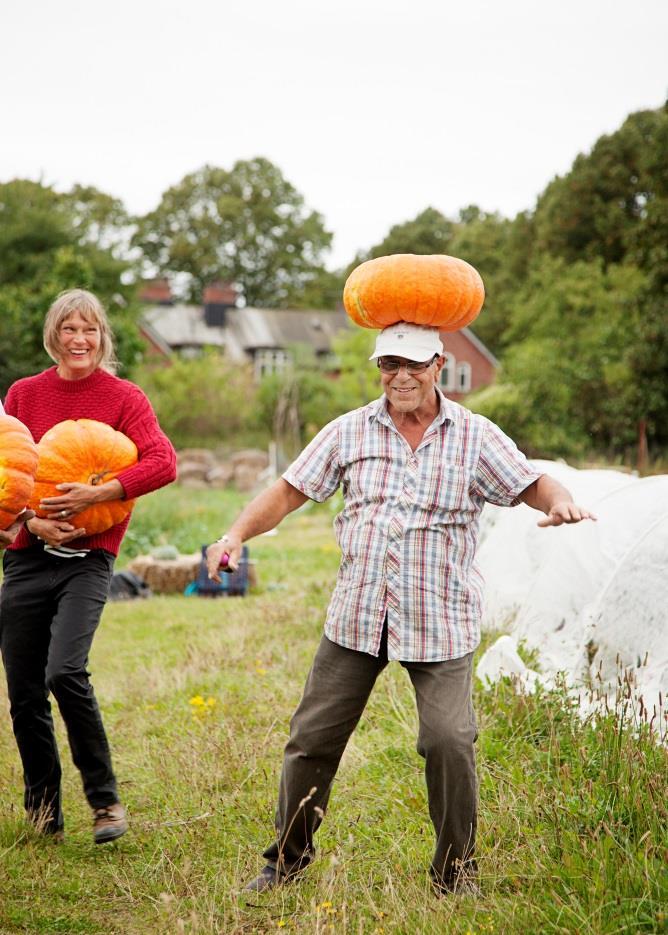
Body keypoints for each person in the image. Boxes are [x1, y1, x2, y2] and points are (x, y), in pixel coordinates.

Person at [206, 321, 596, 895]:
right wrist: (235, 535)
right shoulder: (350, 431)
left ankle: (455, 875)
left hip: (438, 617)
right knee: (311, 740)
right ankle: (286, 863)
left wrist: (560, 500)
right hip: (358, 614)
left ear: (439, 364)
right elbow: (289, 490)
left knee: (449, 741)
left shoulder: (474, 436)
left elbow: (531, 481)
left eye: (413, 364)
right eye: (390, 364)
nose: (401, 376)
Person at [0, 289, 176, 844]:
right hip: (26, 560)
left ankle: (105, 804)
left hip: (89, 560)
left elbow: (162, 461)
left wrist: (103, 491)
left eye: (90, 330)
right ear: (53, 335)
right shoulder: (23, 396)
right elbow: (7, 474)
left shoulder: (124, 398)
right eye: (69, 329)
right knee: (24, 689)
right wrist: (30, 521)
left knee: (64, 672)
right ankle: (43, 813)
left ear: (103, 338)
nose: (80, 339)